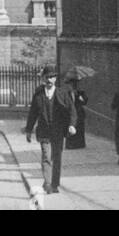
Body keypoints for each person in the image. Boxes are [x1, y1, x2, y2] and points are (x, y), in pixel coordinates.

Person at [24, 65, 77, 194]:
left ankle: (54, 184)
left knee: (57, 158)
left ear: (55, 79)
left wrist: (71, 125)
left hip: (58, 131)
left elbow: (72, 111)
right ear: (43, 78)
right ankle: (47, 183)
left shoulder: (62, 94)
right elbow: (33, 113)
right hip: (44, 131)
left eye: (52, 77)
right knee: (46, 156)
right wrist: (28, 130)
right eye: (47, 77)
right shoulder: (38, 94)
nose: (49, 80)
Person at [65, 71, 88, 149]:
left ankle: (80, 144)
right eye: (70, 85)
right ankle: (70, 145)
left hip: (79, 113)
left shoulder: (81, 93)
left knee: (80, 129)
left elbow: (85, 101)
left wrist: (79, 97)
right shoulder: (67, 94)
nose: (71, 86)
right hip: (71, 114)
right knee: (71, 127)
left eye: (73, 85)